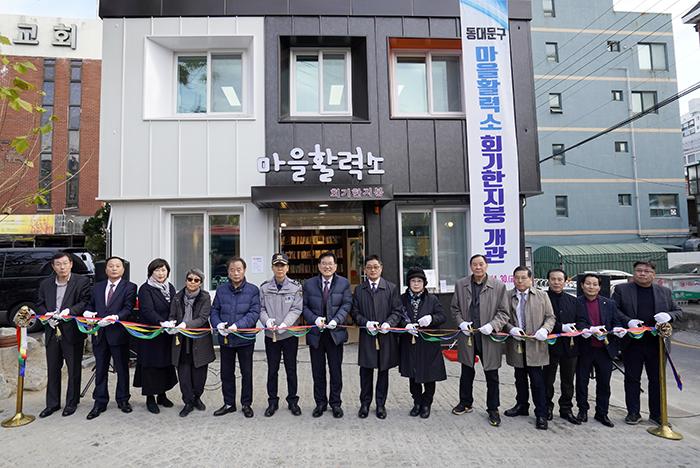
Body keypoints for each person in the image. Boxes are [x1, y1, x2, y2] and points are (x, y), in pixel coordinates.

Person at [612, 260, 683, 426]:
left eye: (647, 271)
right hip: (632, 344)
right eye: (639, 270)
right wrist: (628, 321)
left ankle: (657, 414)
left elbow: (679, 311)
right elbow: (613, 310)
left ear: (653, 274)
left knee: (657, 380)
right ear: (633, 272)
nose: (642, 273)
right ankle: (633, 413)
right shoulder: (622, 290)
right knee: (632, 379)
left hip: (657, 344)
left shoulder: (664, 292)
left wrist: (669, 316)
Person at [449, 254, 510, 427]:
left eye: (481, 264)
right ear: (470, 267)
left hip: (488, 337)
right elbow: (454, 308)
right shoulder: (461, 285)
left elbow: (504, 312)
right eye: (474, 264)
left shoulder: (498, 286)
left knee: (492, 374)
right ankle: (465, 402)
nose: (478, 267)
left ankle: (493, 408)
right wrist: (461, 323)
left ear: (486, 266)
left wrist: (493, 325)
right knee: (466, 372)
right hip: (468, 336)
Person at [35, 251, 91, 417]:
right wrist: (47, 315)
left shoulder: (81, 281)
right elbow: (39, 304)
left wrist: (70, 311)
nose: (62, 267)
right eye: (58, 264)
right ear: (53, 266)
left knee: (73, 369)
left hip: (72, 330)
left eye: (65, 263)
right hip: (52, 329)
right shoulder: (46, 284)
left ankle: (72, 402)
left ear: (71, 264)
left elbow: (85, 302)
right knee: (53, 368)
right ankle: (52, 404)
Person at [84, 256, 138, 420]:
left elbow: (128, 308)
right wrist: (87, 312)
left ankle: (123, 399)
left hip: (118, 333)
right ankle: (100, 401)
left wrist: (116, 317)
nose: (114, 268)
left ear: (123, 269)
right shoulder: (97, 287)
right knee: (100, 368)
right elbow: (91, 304)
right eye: (111, 266)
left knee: (122, 368)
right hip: (99, 334)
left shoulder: (130, 287)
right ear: (106, 269)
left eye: (117, 266)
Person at [503, 266, 556, 430]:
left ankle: (541, 413)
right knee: (519, 378)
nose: (519, 281)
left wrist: (545, 330)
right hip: (517, 344)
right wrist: (510, 328)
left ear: (530, 279)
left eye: (523, 278)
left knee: (537, 380)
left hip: (536, 344)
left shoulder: (541, 295)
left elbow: (550, 317)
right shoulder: (507, 296)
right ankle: (521, 405)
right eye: (516, 278)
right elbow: (503, 317)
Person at [350, 255, 402, 419]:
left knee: (383, 371)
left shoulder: (391, 288)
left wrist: (388, 323)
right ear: (365, 270)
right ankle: (365, 404)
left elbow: (397, 311)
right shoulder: (360, 290)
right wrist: (365, 323)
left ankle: (381, 404)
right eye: (369, 267)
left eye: (376, 267)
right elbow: (354, 312)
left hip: (385, 337)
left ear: (381, 268)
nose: (373, 270)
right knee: (365, 371)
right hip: (367, 336)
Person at [302, 252, 352, 418]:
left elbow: (346, 304)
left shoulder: (343, 283)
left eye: (330, 263)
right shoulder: (309, 284)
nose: (327, 266)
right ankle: (320, 403)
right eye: (324, 263)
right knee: (318, 371)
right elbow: (304, 307)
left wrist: (337, 320)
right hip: (316, 334)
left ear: (336, 266)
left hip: (335, 334)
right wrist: (314, 319)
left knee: (335, 371)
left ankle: (335, 403)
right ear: (319, 266)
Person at [210, 256, 260, 418]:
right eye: (232, 270)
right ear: (228, 272)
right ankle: (229, 403)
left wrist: (238, 326)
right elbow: (214, 310)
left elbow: (254, 313)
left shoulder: (253, 290)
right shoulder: (221, 290)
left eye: (239, 269)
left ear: (244, 271)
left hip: (245, 338)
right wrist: (218, 325)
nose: (236, 273)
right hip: (226, 339)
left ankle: (246, 404)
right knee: (226, 373)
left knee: (246, 372)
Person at [574, 273, 622, 427]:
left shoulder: (609, 303)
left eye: (595, 284)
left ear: (600, 287)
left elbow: (616, 322)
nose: (591, 287)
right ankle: (582, 410)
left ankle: (602, 413)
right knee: (581, 382)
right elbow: (576, 323)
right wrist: (587, 329)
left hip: (604, 349)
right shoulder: (576, 303)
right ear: (582, 285)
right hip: (585, 349)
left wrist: (618, 329)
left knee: (604, 383)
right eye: (588, 283)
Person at [166, 268, 215, 417]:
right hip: (181, 340)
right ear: (186, 280)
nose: (192, 282)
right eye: (190, 279)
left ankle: (197, 397)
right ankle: (188, 402)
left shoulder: (205, 297)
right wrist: (170, 324)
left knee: (199, 374)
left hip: (199, 339)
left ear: (201, 283)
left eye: (196, 280)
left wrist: (186, 324)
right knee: (184, 374)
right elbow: (172, 315)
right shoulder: (177, 296)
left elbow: (202, 318)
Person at [259, 253, 303, 417]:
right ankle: (272, 401)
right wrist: (267, 321)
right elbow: (261, 308)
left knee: (291, 369)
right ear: (272, 267)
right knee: (272, 369)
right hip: (271, 336)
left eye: (282, 265)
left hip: (289, 334)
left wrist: (285, 324)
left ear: (287, 268)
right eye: (277, 265)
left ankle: (293, 401)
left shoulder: (295, 287)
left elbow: (297, 309)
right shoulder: (264, 288)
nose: (280, 268)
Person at [398, 267, 446, 419]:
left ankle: (427, 403)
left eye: (419, 281)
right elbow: (396, 316)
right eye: (413, 281)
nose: (416, 284)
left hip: (428, 345)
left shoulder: (432, 299)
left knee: (429, 375)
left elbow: (442, 316)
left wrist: (431, 318)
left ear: (424, 283)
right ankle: (417, 402)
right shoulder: (402, 299)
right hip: (410, 343)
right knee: (413, 375)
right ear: (408, 283)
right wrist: (405, 325)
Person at [134, 258, 178, 414]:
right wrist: (161, 322)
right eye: (157, 270)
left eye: (164, 270)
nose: (161, 273)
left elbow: (174, 307)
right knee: (151, 366)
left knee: (165, 364)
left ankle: (162, 395)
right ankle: (150, 398)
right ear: (151, 272)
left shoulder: (170, 287)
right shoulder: (145, 289)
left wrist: (173, 322)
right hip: (151, 334)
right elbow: (147, 310)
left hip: (167, 334)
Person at [544, 268, 585, 425]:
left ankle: (566, 409)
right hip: (549, 347)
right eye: (553, 279)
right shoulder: (542, 298)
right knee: (547, 380)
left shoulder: (574, 301)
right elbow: (540, 320)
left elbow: (581, 319)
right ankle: (546, 407)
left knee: (568, 380)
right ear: (548, 281)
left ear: (565, 281)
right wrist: (561, 327)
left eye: (560, 279)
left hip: (570, 346)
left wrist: (577, 328)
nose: (556, 282)